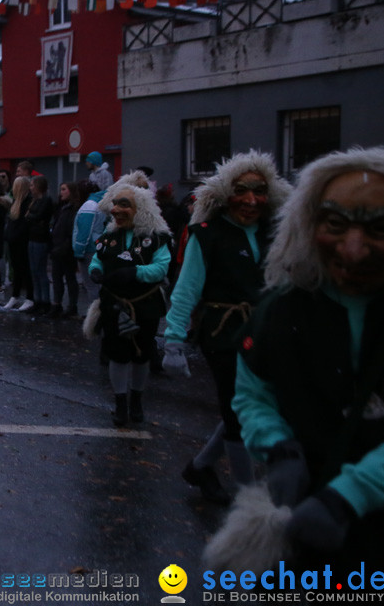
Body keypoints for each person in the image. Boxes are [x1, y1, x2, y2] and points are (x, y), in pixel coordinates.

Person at [230, 147, 384, 570]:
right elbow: (254, 390)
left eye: (381, 229)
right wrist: (278, 447)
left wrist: (350, 495)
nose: (353, 250)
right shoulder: (283, 309)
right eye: (335, 224)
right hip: (304, 526)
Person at [163, 151, 290, 504]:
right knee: (236, 414)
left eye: (259, 191)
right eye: (242, 190)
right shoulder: (207, 234)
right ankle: (248, 499)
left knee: (252, 406)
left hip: (265, 333)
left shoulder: (275, 233)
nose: (251, 200)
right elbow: (187, 287)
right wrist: (173, 339)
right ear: (224, 194)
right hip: (223, 334)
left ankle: (201, 465)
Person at [85, 175, 172, 427]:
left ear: (140, 209)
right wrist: (95, 268)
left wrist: (135, 272)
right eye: (115, 204)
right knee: (117, 355)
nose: (115, 210)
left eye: (124, 205)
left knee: (141, 355)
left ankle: (136, 400)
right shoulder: (110, 234)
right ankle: (120, 403)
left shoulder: (156, 236)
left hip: (145, 305)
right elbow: (98, 257)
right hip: (113, 304)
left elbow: (161, 268)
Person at [48, 181, 79, 318]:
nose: (61, 192)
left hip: (65, 250)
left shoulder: (73, 209)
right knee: (57, 278)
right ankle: (57, 303)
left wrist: (62, 247)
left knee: (70, 278)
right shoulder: (61, 208)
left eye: (64, 189)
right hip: (57, 248)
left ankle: (72, 306)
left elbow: (70, 231)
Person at [2, 176, 33, 311]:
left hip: (22, 241)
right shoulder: (16, 201)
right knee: (17, 269)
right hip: (13, 241)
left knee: (25, 269)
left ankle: (29, 297)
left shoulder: (28, 202)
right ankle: (15, 296)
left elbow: (24, 224)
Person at [25, 175, 54, 316]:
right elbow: (31, 216)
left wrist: (31, 216)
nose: (30, 188)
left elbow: (37, 216)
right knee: (34, 271)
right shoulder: (34, 201)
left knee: (40, 270)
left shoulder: (45, 200)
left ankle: (45, 301)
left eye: (32, 185)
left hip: (40, 239)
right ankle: (38, 300)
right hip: (33, 237)